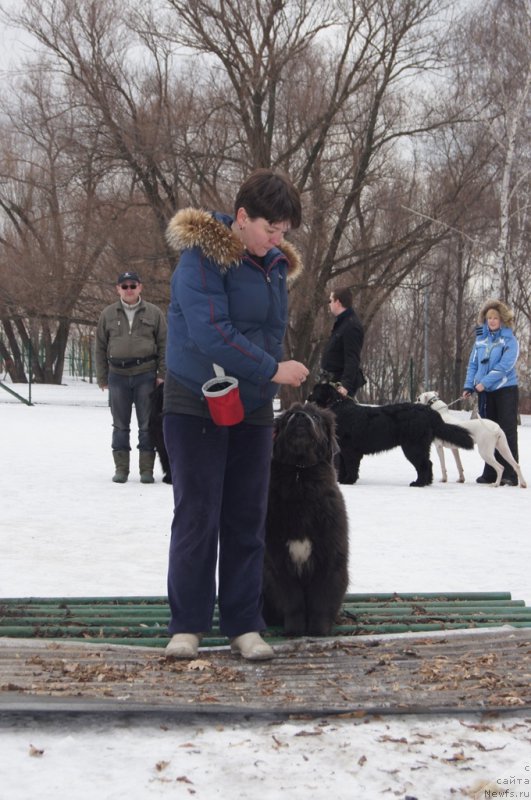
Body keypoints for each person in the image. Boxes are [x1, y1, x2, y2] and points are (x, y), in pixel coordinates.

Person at [163, 169, 308, 662]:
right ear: (243, 218)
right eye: (271, 229)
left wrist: (269, 376)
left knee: (248, 517)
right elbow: (212, 331)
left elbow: (266, 332)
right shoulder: (201, 258)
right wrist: (275, 368)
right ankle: (187, 625)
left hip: (251, 407)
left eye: (284, 233)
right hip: (194, 403)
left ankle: (245, 623)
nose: (277, 240)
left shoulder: (273, 268)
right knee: (198, 514)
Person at [96, 271, 167, 484]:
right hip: (117, 375)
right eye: (124, 286)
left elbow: (164, 344)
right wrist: (102, 377)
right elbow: (100, 347)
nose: (129, 290)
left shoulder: (154, 313)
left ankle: (146, 470)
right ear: (118, 289)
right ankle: (121, 469)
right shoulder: (107, 314)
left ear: (140, 287)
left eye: (132, 285)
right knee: (120, 425)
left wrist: (161, 375)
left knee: (147, 424)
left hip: (145, 374)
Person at [462, 299, 520, 486]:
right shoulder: (481, 339)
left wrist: (484, 383)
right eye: (489, 318)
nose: (492, 321)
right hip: (484, 392)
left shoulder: (509, 339)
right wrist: (469, 385)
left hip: (505, 391)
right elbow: (473, 364)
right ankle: (490, 472)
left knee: (506, 431)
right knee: (487, 431)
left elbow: (505, 366)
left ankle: (510, 474)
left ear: (502, 319)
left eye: (495, 318)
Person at [320, 287, 365, 397]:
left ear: (338, 302)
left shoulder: (351, 325)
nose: (329, 304)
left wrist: (345, 385)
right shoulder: (342, 323)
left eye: (330, 301)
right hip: (332, 381)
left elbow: (352, 358)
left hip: (340, 385)